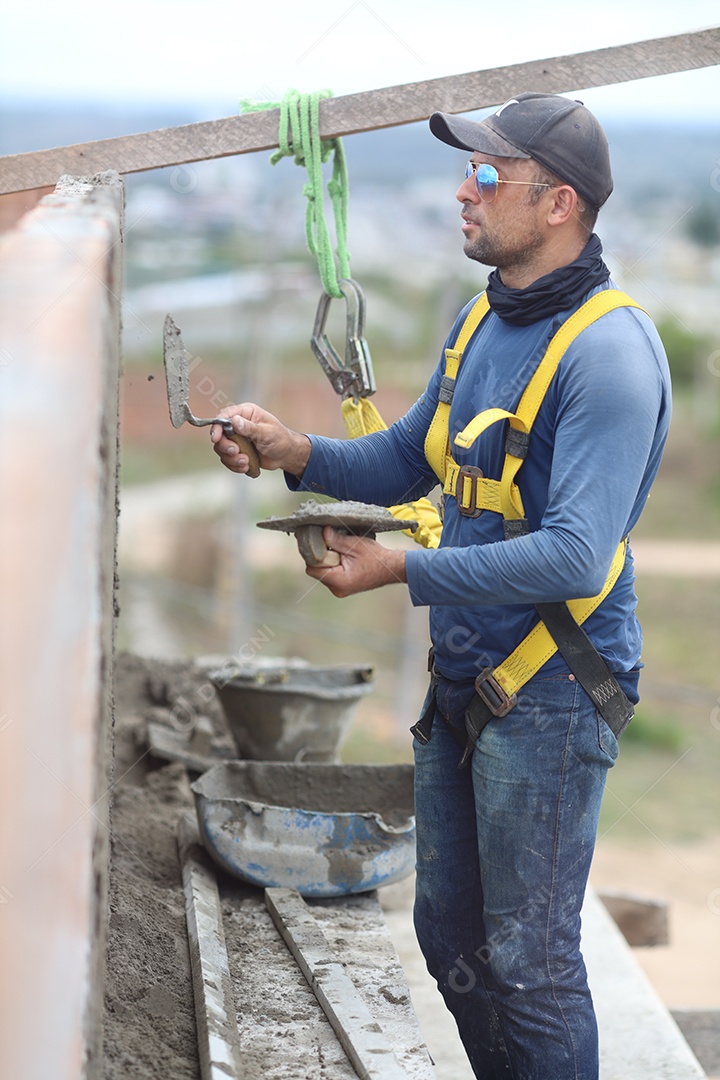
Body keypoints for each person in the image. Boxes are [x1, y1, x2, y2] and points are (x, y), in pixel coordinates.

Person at [211, 92, 671, 1080]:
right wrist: (297, 453)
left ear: (560, 205)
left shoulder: (611, 355)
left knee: (531, 966)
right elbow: (404, 460)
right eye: (470, 170)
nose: (464, 188)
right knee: (450, 939)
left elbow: (577, 556)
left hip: (552, 690)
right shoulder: (480, 325)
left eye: (488, 174)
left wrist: (403, 569)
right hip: (469, 683)